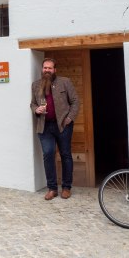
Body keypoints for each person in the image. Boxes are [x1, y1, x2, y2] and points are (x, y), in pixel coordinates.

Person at [31, 58, 79, 200]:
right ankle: (52, 189)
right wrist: (36, 109)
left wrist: (70, 118)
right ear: (42, 69)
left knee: (65, 155)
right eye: (45, 68)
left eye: (50, 68)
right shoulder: (36, 85)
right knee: (48, 154)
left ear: (54, 70)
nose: (47, 70)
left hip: (63, 125)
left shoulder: (65, 82)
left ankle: (66, 187)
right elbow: (32, 103)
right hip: (44, 126)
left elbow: (75, 101)